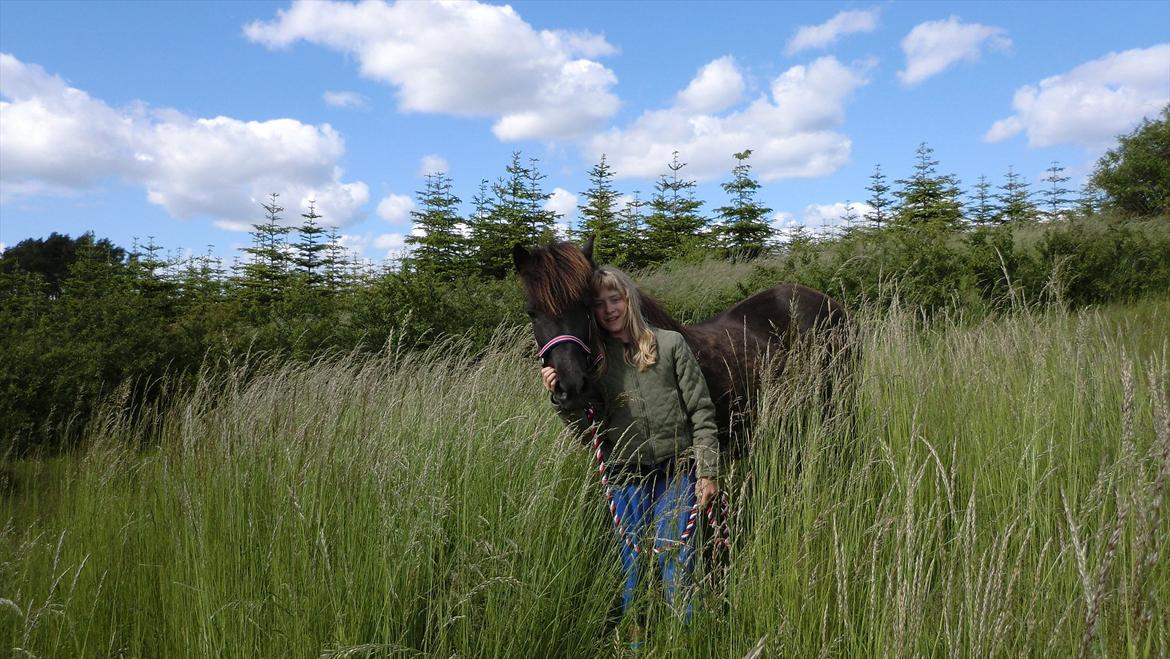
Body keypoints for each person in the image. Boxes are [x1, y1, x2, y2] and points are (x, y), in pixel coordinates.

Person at [541, 265, 719, 629]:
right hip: (626, 477)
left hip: (677, 473)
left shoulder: (669, 344)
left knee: (679, 566)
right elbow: (588, 434)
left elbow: (701, 412)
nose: (609, 310)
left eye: (615, 299)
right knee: (632, 571)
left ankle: (686, 640)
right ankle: (636, 642)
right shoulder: (595, 365)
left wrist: (708, 472)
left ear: (629, 299)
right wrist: (560, 397)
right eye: (599, 304)